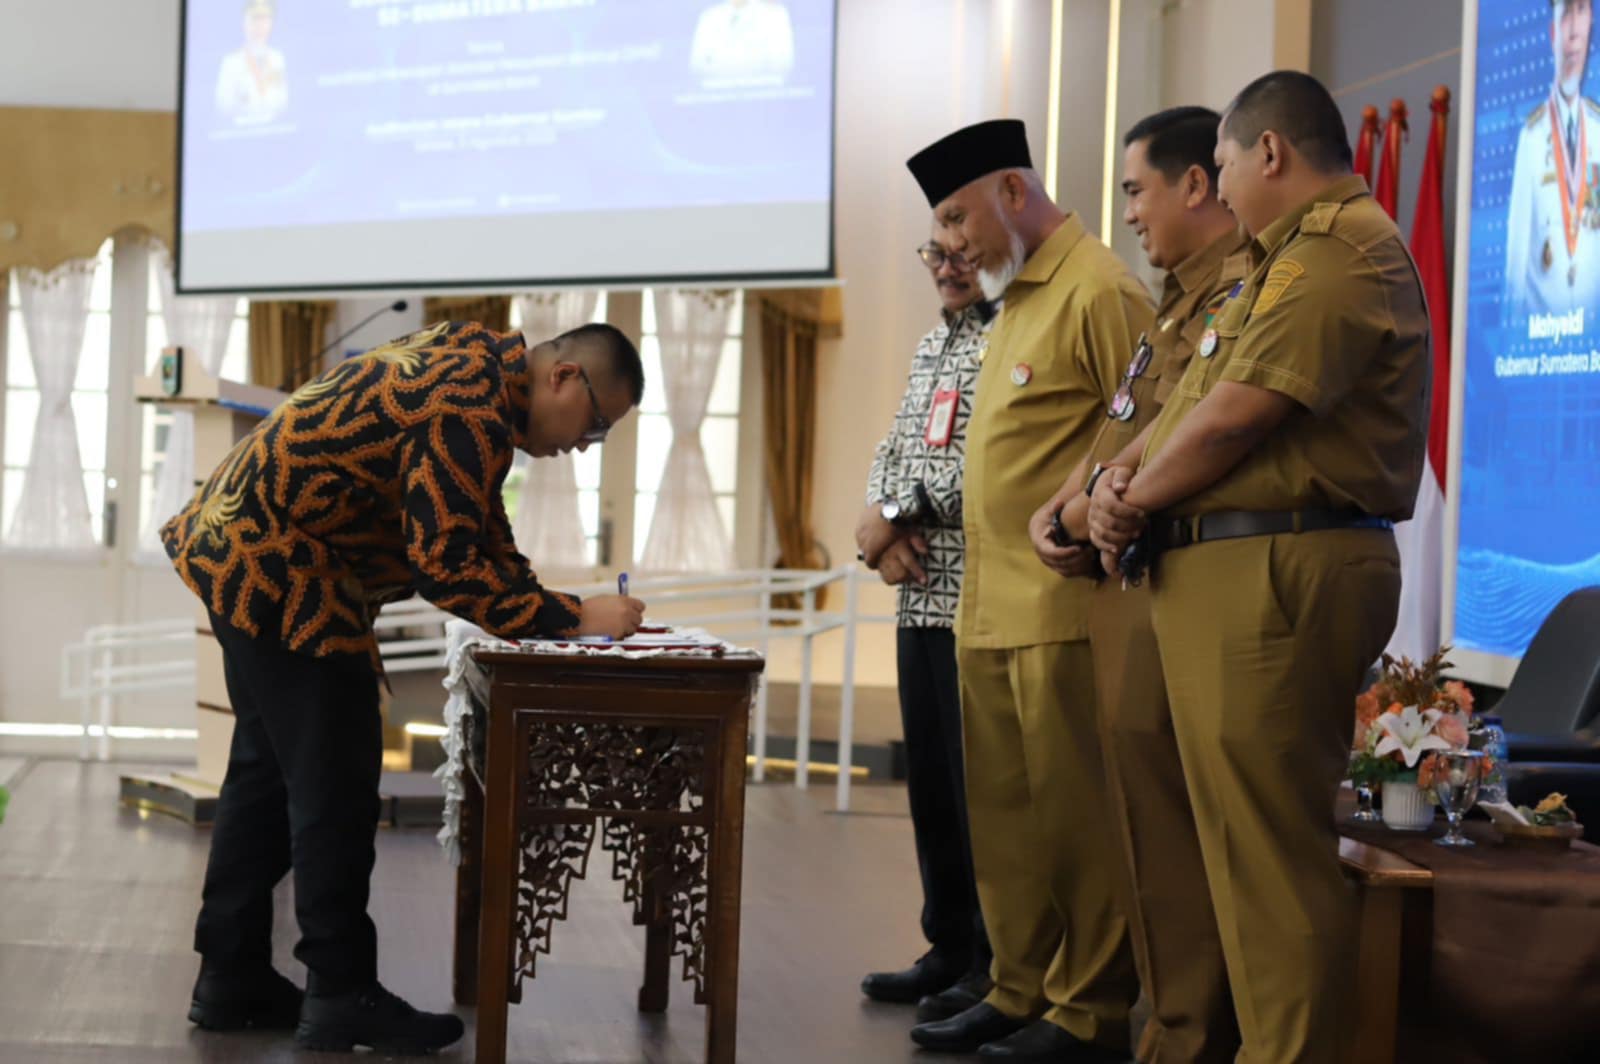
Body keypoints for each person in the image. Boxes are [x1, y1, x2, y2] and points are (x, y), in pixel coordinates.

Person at [164, 320, 648, 1055]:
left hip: (243, 547)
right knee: (336, 785)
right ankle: (340, 991)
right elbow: (446, 564)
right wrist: (575, 617)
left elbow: (481, 529)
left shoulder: (479, 372)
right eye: (599, 426)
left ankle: (231, 975)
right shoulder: (470, 399)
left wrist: (559, 608)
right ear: (564, 377)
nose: (585, 445)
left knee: (264, 779)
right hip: (282, 567)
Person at [1088, 71, 1428, 1062]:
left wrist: (1126, 501)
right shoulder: (1272, 264)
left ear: (1269, 152)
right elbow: (1190, 402)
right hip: (1231, 570)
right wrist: (1115, 489)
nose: (1222, 188)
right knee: (1237, 857)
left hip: (1283, 567)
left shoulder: (1336, 251)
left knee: (1273, 865)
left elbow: (1238, 416)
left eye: (1226, 164)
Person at [903, 118, 1147, 1063]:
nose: (953, 243)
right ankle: (1018, 987)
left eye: (960, 217)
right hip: (984, 609)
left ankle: (1088, 1011)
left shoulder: (1100, 288)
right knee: (1004, 823)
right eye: (944, 225)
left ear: (1014, 191)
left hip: (1061, 611)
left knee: (1072, 824)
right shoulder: (1011, 303)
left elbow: (1146, 429)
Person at [1030, 106, 1249, 1063]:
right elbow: (1117, 432)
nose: (1127, 213)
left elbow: (1186, 446)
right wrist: (1061, 506)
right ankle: (1164, 1026)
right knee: (1140, 832)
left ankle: (1186, 1035)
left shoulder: (1244, 294)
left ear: (1196, 184)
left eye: (1135, 191)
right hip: (1124, 588)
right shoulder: (1173, 308)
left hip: (1185, 588)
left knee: (1177, 840)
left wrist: (1084, 511)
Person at [856, 231, 994, 1021]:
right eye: (932, 254)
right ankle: (946, 943)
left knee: (981, 791)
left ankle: (990, 957)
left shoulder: (1013, 336)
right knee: (933, 787)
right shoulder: (929, 344)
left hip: (979, 594)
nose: (945, 268)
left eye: (960, 252)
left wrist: (896, 516)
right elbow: (895, 447)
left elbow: (983, 460)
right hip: (918, 591)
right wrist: (882, 519)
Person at [1505, 0, 1600, 314]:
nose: (1573, 31)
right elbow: (1516, 268)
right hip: (1539, 348)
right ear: (1551, 33)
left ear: (1591, 27)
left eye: (1582, 11)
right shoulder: (1531, 137)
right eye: (1565, 15)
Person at [214, 0, 289, 123]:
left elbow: (283, 103)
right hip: (239, 133)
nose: (259, 26)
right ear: (244, 23)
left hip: (274, 132)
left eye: (265, 19)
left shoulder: (277, 59)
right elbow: (223, 108)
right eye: (254, 19)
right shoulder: (230, 63)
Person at [689, 0, 795, 85]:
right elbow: (697, 64)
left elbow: (783, 63)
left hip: (767, 97)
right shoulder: (709, 17)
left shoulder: (775, 15)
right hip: (716, 98)